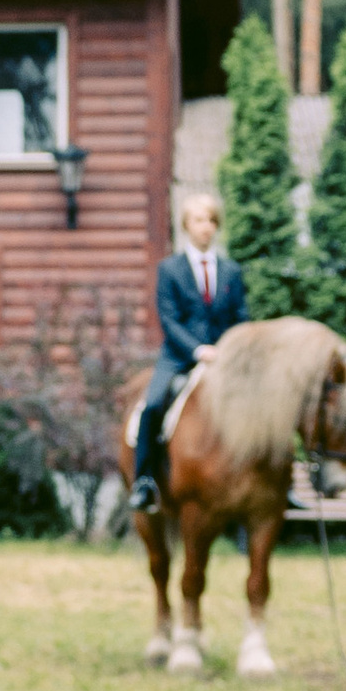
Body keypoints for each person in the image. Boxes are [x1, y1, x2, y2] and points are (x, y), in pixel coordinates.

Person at [131, 194, 246, 515]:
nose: (206, 227)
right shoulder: (169, 270)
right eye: (199, 220)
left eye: (211, 220)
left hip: (225, 359)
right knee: (152, 405)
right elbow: (168, 319)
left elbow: (241, 315)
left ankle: (282, 482)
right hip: (179, 356)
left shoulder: (231, 271)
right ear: (186, 226)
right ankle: (144, 481)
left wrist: (228, 350)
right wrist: (198, 350)